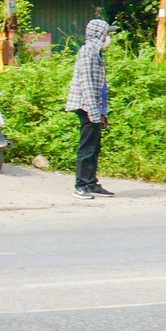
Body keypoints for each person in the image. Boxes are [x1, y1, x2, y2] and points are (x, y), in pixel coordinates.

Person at [65, 16, 114, 199]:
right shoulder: (87, 52)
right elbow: (86, 83)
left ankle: (91, 183)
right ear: (99, 35)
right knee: (87, 147)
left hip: (94, 106)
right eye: (106, 34)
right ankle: (81, 185)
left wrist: (101, 112)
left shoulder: (96, 52)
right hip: (86, 106)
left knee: (94, 146)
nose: (107, 38)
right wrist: (94, 111)